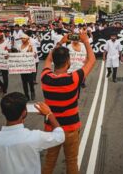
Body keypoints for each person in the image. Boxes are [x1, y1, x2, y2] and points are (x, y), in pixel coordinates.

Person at [41, 32, 95, 174]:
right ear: (68, 62)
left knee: (49, 161)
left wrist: (60, 42)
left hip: (51, 127)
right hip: (71, 127)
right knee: (71, 161)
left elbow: (47, 61)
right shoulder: (74, 78)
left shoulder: (45, 77)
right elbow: (92, 61)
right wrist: (86, 41)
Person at [0, 92, 65, 174]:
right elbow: (60, 136)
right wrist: (49, 114)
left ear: (3, 112)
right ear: (24, 113)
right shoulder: (35, 137)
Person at [17, 33, 37, 101]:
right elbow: (17, 55)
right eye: (22, 38)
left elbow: (35, 55)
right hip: (22, 66)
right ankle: (26, 95)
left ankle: (32, 91)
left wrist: (32, 53)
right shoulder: (19, 46)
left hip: (29, 66)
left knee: (30, 81)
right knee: (24, 82)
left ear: (28, 39)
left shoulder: (31, 45)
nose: (23, 39)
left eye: (24, 38)